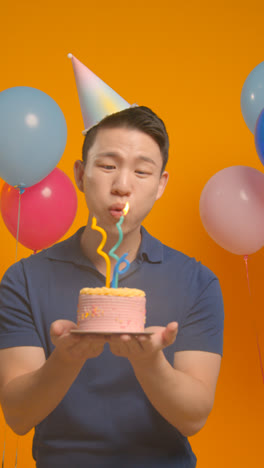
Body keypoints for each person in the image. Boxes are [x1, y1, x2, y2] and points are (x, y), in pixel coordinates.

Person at [0, 106, 224, 468]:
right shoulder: (23, 279)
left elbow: (194, 417)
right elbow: (17, 416)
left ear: (161, 184)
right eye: (107, 166)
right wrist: (66, 358)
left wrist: (150, 362)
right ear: (80, 173)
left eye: (141, 171)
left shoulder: (197, 282)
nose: (122, 185)